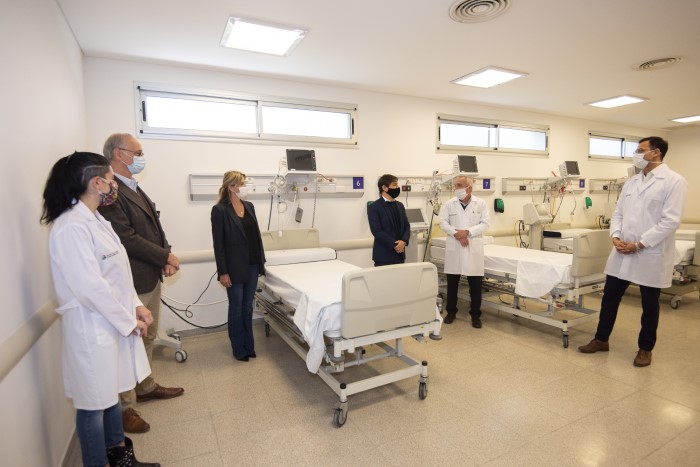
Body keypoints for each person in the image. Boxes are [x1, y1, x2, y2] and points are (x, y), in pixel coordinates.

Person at [41, 152, 159, 467]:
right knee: (93, 405)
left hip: (109, 324)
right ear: (97, 182)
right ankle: (99, 463)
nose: (113, 184)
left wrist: (136, 307)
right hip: (91, 329)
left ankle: (119, 455)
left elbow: (118, 275)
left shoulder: (97, 220)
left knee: (109, 399)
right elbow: (90, 287)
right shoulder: (70, 227)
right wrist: (127, 321)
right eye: (109, 179)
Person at [98, 133, 184, 434]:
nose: (141, 156)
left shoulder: (133, 188)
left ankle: (145, 386)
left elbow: (153, 227)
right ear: (120, 154)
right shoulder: (110, 192)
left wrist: (165, 256)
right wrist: (166, 255)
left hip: (150, 274)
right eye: (138, 151)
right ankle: (125, 407)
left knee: (148, 337)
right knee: (128, 344)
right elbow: (126, 238)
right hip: (131, 281)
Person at [578, 136, 687, 367]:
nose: (636, 154)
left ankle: (645, 349)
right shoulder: (632, 182)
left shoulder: (674, 181)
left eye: (640, 150)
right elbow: (618, 213)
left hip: (649, 253)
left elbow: (671, 221)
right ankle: (601, 339)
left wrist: (639, 244)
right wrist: (615, 236)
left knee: (649, 305)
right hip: (622, 252)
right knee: (609, 298)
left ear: (655, 153)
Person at [211, 171, 266, 362]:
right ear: (232, 186)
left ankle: (249, 346)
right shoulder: (220, 211)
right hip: (233, 268)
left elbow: (256, 237)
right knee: (236, 307)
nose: (245, 187)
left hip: (252, 264)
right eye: (243, 183)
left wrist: (261, 262)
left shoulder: (249, 206)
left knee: (247, 307)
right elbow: (218, 245)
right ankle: (238, 348)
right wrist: (223, 272)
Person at [439, 176, 490, 327]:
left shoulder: (480, 203)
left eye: (460, 185)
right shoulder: (449, 204)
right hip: (455, 245)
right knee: (452, 283)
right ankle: (451, 312)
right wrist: (457, 234)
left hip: (472, 245)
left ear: (469, 188)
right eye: (455, 186)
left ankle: (475, 315)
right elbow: (443, 222)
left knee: (475, 285)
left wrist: (467, 232)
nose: (457, 188)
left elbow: (485, 223)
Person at [367, 174, 411, 267]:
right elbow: (376, 230)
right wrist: (394, 245)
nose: (398, 187)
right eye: (394, 185)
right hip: (383, 256)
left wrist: (403, 241)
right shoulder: (374, 207)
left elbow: (406, 225)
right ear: (384, 188)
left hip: (400, 255)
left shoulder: (400, 205)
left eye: (397, 185)